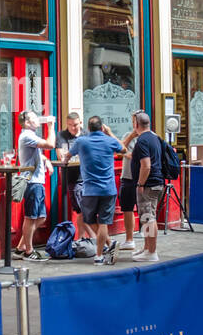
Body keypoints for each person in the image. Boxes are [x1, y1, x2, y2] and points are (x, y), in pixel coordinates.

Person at [68, 116, 123, 265]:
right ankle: (106, 248)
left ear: (88, 127)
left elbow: (67, 156)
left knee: (89, 219)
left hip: (90, 189)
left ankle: (100, 254)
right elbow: (123, 148)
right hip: (108, 189)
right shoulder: (109, 141)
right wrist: (110, 133)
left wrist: (65, 161)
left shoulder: (81, 141)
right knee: (103, 222)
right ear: (102, 128)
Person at [14, 110, 56, 260]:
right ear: (26, 123)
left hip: (37, 181)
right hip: (32, 182)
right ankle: (29, 250)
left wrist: (46, 161)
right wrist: (51, 126)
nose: (38, 119)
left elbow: (37, 153)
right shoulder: (26, 136)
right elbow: (50, 144)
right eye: (33, 118)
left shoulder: (30, 136)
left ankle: (20, 247)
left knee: (41, 218)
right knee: (30, 217)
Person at [128, 111, 165, 264]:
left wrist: (140, 184)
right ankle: (147, 248)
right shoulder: (154, 137)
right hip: (156, 182)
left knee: (148, 218)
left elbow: (146, 165)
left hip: (148, 184)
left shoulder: (142, 140)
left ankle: (151, 251)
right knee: (147, 216)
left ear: (136, 124)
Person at [55, 112, 92, 239]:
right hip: (72, 178)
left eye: (75, 125)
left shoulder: (86, 135)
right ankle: (88, 238)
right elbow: (61, 156)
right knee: (81, 210)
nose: (73, 128)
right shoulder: (61, 135)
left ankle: (85, 238)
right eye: (70, 125)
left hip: (89, 178)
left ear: (80, 123)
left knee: (88, 209)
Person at [117, 116, 141, 250]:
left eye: (136, 122)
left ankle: (150, 245)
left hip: (143, 179)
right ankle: (129, 239)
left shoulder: (149, 137)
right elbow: (120, 149)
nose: (134, 125)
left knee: (147, 213)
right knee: (127, 209)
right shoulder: (128, 135)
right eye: (133, 122)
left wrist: (132, 156)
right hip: (127, 177)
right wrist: (131, 135)